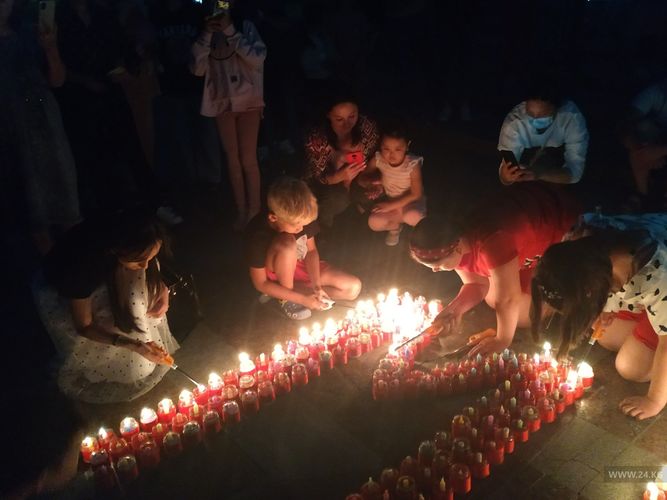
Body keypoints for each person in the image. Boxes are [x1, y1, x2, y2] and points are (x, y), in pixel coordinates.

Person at [409, 183, 579, 356]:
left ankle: (558, 300)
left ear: (457, 248)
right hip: (515, 251)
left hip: (560, 229)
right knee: (495, 299)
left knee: (526, 314)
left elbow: (508, 299)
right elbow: (476, 285)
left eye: (438, 265)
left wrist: (502, 340)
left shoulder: (493, 241)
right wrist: (453, 311)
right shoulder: (456, 243)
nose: (435, 271)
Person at [531, 213, 667, 420]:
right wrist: (606, 308)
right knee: (607, 336)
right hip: (645, 296)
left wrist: (654, 400)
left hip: (659, 293)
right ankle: (649, 320)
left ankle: (652, 324)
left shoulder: (659, 275)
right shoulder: (578, 245)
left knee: (631, 368)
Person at [34, 209, 179, 403]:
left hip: (105, 270)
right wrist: (134, 346)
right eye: (139, 260)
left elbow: (145, 256)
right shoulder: (82, 268)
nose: (146, 266)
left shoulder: (132, 230)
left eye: (151, 258)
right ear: (115, 250)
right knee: (131, 367)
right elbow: (84, 326)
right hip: (71, 290)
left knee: (138, 283)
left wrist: (162, 287)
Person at [0, 0, 80, 254]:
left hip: (47, 129)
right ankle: (53, 269)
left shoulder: (29, 32)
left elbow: (57, 80)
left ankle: (77, 266)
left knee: (66, 201)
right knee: (33, 214)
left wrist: (50, 47)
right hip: (11, 135)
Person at [191, 0, 266, 231]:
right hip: (221, 102)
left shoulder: (244, 26)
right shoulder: (205, 32)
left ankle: (255, 210)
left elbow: (257, 58)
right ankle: (242, 210)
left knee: (248, 159)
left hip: (248, 102)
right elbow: (197, 69)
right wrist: (206, 34)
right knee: (232, 160)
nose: (218, 9)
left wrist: (231, 30)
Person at [244, 177, 362, 320]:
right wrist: (303, 300)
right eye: (296, 226)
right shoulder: (258, 234)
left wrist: (317, 287)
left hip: (300, 265)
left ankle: (287, 294)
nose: (301, 229)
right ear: (274, 218)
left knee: (352, 288)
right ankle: (287, 299)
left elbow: (311, 251)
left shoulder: (301, 216)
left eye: (304, 224)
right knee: (287, 241)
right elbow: (260, 283)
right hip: (276, 274)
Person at [303, 93, 379, 228]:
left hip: (359, 173)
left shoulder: (366, 127)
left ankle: (364, 219)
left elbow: (372, 158)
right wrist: (339, 176)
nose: (347, 125)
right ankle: (323, 229)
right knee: (337, 198)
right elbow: (319, 176)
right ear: (328, 115)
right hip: (329, 180)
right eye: (339, 119)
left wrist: (369, 178)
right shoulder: (317, 138)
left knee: (368, 193)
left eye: (352, 116)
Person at [498, 82, 588, 185]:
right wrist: (507, 177)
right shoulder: (513, 123)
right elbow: (504, 172)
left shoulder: (572, 119)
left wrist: (539, 174)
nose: (535, 118)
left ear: (557, 108)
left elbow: (575, 173)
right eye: (530, 113)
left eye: (543, 114)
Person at [360, 122, 426, 246]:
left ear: (407, 146)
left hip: (411, 203)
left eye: (398, 149)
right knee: (374, 222)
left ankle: (419, 234)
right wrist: (372, 184)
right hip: (391, 202)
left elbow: (416, 194)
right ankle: (395, 227)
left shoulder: (412, 164)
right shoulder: (378, 159)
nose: (391, 154)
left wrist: (389, 206)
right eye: (386, 149)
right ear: (380, 146)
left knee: (413, 216)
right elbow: (363, 177)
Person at [620, 79, 667, 211]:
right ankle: (641, 194)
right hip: (654, 145)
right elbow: (627, 124)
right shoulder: (656, 93)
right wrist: (640, 149)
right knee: (642, 130)